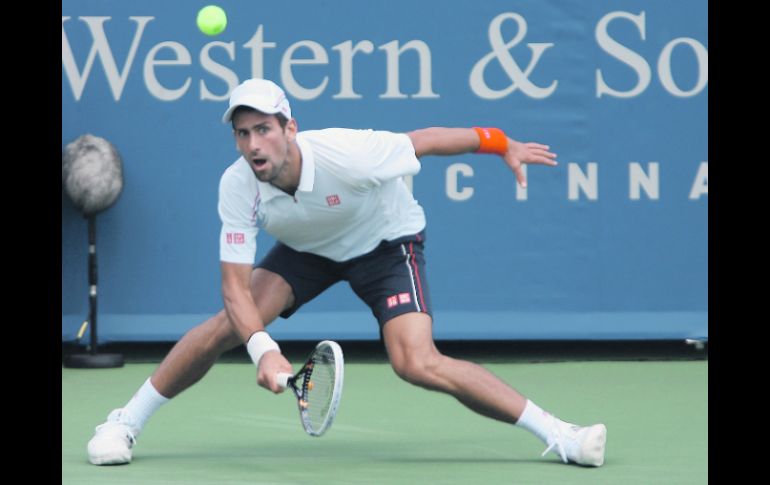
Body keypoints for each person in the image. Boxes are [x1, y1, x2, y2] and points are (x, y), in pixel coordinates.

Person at [86, 78, 607, 467]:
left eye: (264, 130)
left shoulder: (350, 155)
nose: (253, 145)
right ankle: (124, 423)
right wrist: (263, 349)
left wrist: (500, 142)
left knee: (417, 362)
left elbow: (425, 139)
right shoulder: (237, 183)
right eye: (243, 134)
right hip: (306, 251)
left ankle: (561, 435)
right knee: (227, 326)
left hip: (384, 243)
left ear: (290, 128)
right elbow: (233, 287)